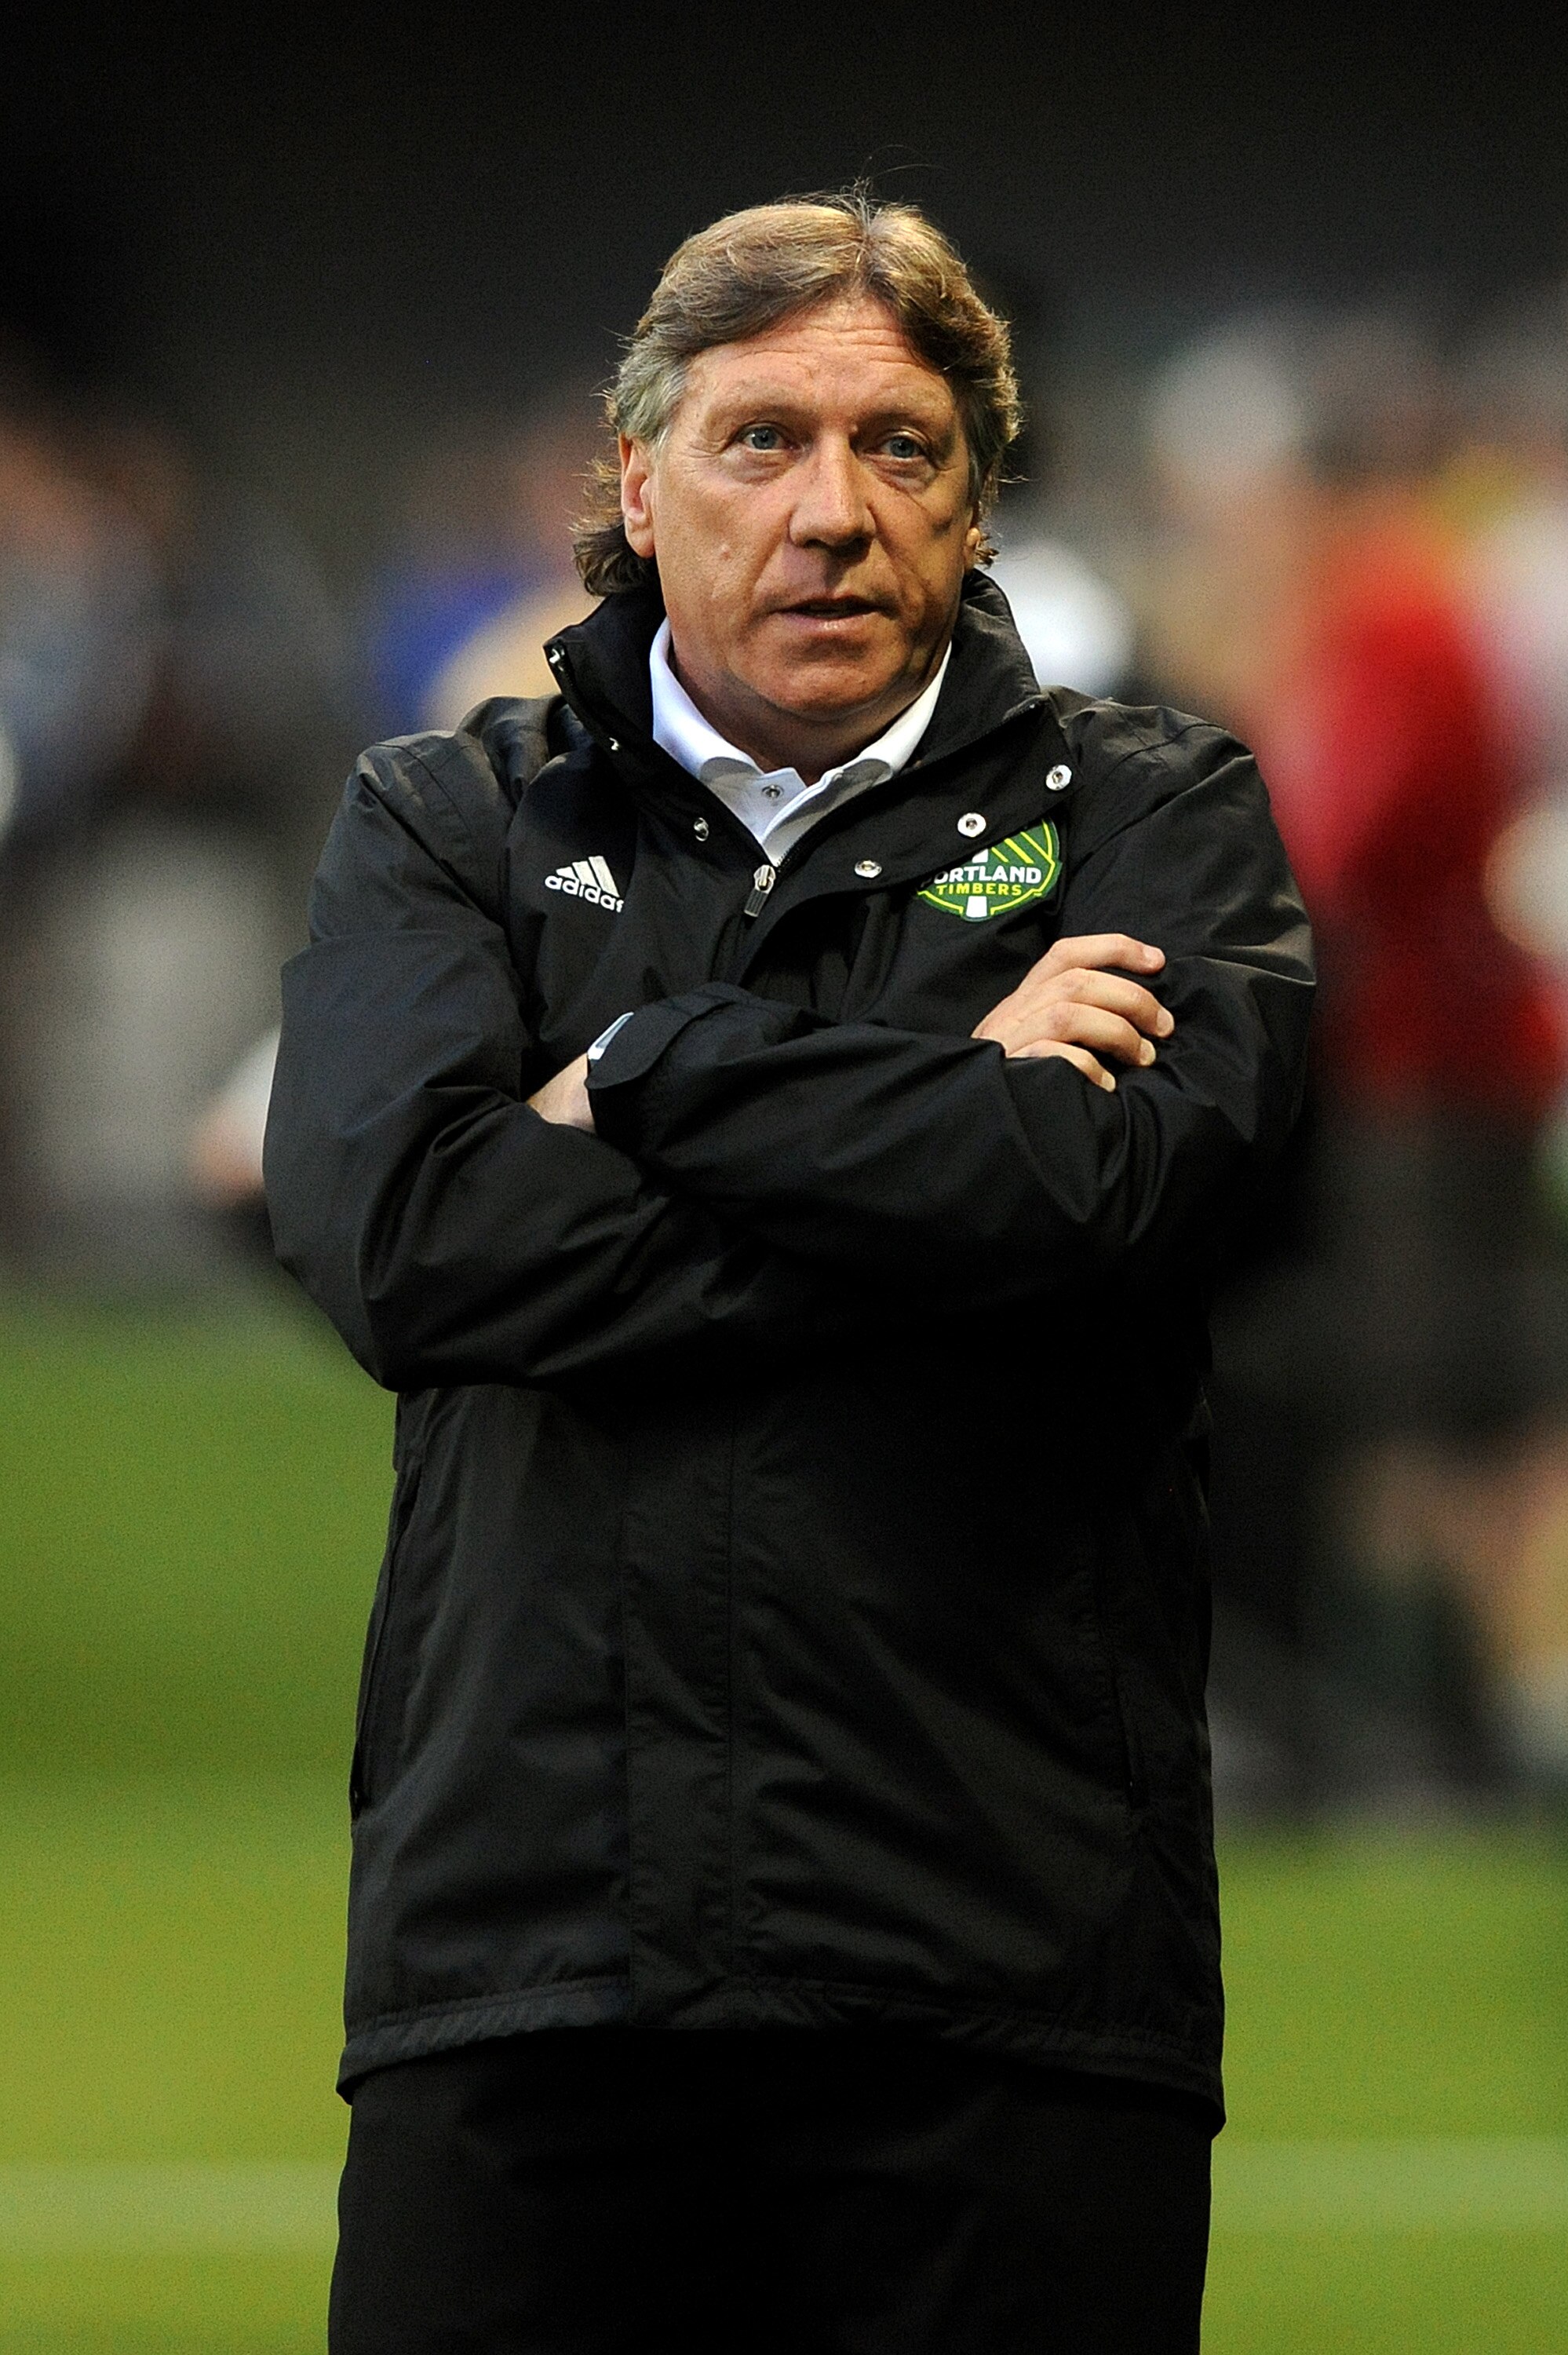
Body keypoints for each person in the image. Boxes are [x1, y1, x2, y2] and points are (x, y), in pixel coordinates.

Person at [264, 194, 1313, 2355]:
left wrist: (640, 1066)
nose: (833, 510)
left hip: (1007, 1967)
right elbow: (408, 1250)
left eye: (901, 446)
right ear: (638, 486)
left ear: (983, 492)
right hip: (536, 1961)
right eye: (762, 442)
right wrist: (947, 1113)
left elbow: (1112, 1205)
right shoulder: (446, 822)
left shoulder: (1159, 815)